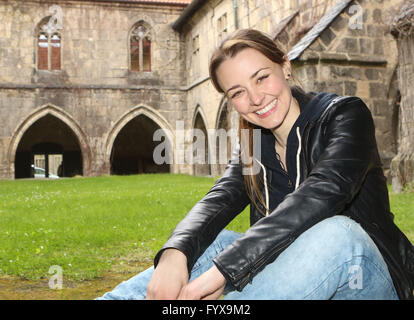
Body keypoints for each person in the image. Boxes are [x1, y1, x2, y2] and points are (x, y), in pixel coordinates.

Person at [97, 29, 414, 300]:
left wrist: (222, 272)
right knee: (218, 242)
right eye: (238, 92)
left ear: (285, 67)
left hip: (367, 278)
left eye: (262, 77)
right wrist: (174, 253)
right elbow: (218, 200)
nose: (256, 98)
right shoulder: (253, 145)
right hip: (295, 282)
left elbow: (322, 193)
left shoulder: (344, 115)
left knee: (337, 232)